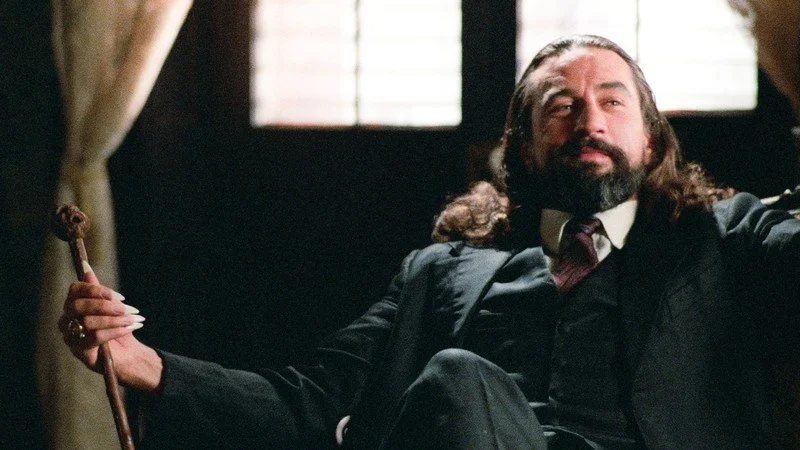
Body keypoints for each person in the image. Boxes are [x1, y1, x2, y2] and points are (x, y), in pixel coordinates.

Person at [60, 35, 800, 449]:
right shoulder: (443, 274)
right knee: (457, 378)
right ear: (523, 147)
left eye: (613, 102)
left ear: (651, 142)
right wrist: (143, 363)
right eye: (561, 106)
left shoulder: (721, 237)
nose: (590, 121)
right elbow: (313, 400)